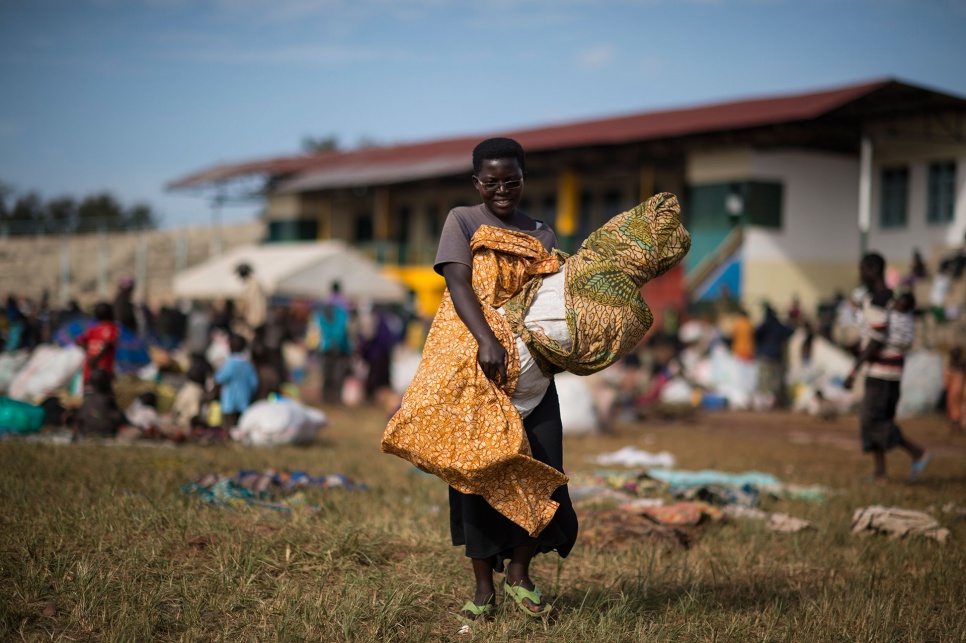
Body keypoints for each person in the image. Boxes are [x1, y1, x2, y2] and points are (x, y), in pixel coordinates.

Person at [414, 138, 577, 623]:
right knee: (476, 473)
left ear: (524, 179)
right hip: (476, 369)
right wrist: (488, 340)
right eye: (491, 181)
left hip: (532, 377)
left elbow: (552, 304)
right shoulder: (463, 220)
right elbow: (458, 282)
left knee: (544, 469)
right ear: (476, 183)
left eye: (512, 180)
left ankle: (520, 573)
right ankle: (483, 589)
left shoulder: (543, 235)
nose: (502, 189)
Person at [843, 252, 930, 482]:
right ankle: (880, 473)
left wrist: (854, 370)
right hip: (886, 371)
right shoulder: (882, 297)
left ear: (872, 270)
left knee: (874, 421)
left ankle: (917, 452)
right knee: (872, 419)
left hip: (883, 373)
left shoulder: (881, 299)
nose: (860, 274)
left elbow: (876, 339)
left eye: (863, 269)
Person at [214, 334, 259, 437]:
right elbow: (254, 383)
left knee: (229, 423)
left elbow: (220, 378)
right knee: (241, 424)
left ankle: (228, 438)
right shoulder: (248, 364)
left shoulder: (229, 363)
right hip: (244, 400)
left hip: (229, 400)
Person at [71, 368, 126, 440]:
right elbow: (120, 418)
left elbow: (80, 419)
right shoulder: (108, 400)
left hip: (87, 433)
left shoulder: (86, 400)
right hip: (105, 433)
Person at [75, 302, 120, 385]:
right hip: (101, 368)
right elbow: (108, 344)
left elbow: (79, 341)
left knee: (90, 389)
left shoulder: (94, 329)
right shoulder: (111, 328)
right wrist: (95, 358)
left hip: (94, 367)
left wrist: (90, 353)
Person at [235, 263, 267, 339]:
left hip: (255, 322)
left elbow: (252, 304)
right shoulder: (249, 284)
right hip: (252, 321)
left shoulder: (253, 284)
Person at [944, 346, 965, 435]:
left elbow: (947, 381)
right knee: (961, 407)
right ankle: (960, 424)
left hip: (953, 391)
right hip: (962, 390)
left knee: (953, 408)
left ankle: (956, 424)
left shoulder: (951, 366)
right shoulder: (962, 366)